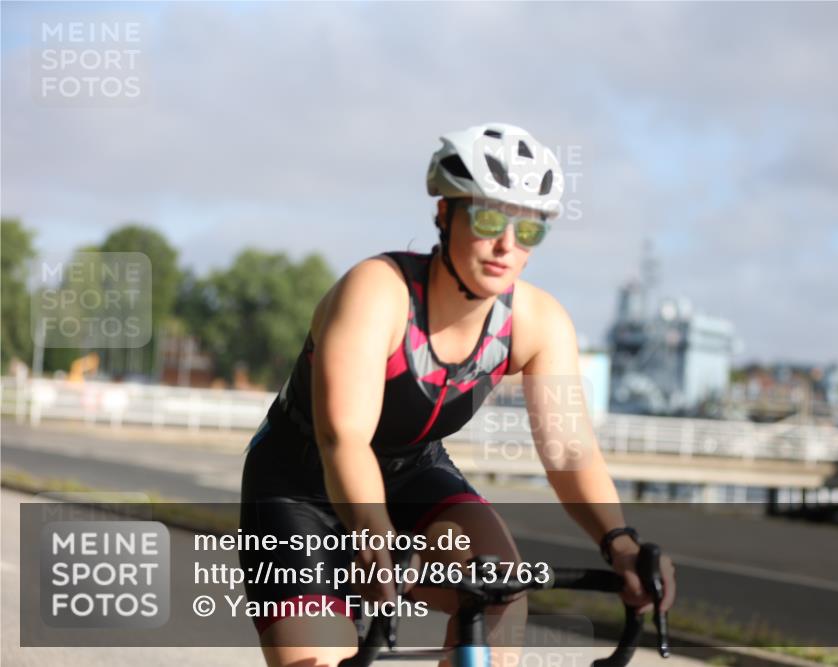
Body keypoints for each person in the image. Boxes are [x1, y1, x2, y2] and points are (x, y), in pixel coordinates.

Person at [239, 122, 676, 667]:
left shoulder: (537, 322)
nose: (506, 245)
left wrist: (621, 543)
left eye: (529, 230)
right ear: (444, 214)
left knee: (500, 588)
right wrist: (376, 539)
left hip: (414, 472)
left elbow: (569, 451)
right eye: (489, 217)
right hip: (298, 485)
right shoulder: (378, 292)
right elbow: (342, 439)